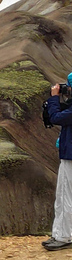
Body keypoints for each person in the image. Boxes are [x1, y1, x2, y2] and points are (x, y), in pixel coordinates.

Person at [43, 73, 72, 251]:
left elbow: (55, 118)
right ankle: (61, 233)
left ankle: (63, 236)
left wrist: (54, 98)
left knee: (65, 195)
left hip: (70, 156)